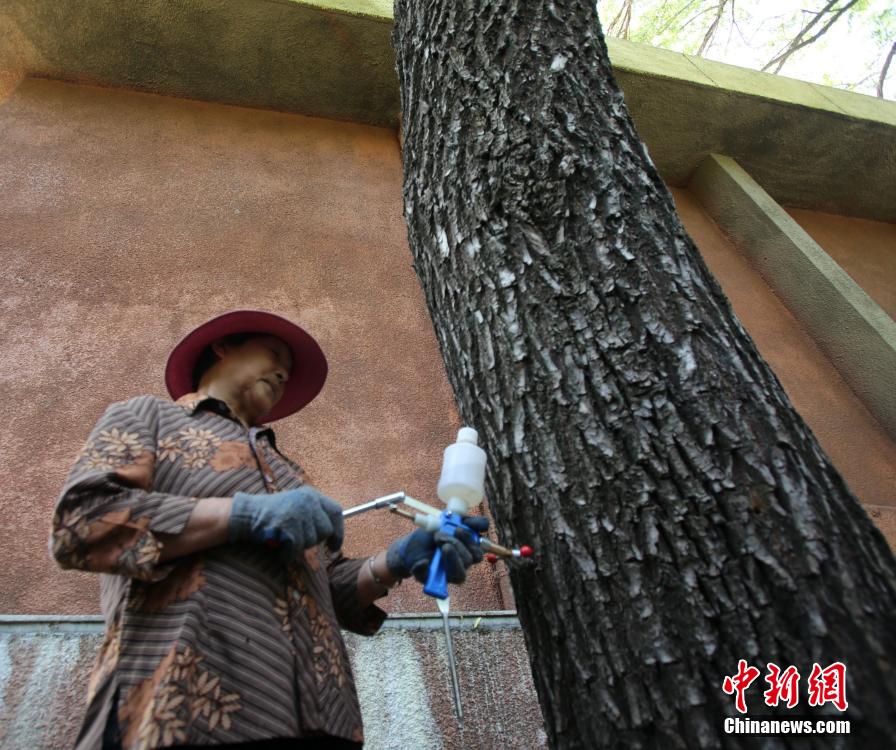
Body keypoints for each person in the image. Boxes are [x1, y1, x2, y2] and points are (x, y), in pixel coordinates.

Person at [50, 310, 488, 750]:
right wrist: (245, 515)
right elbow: (83, 522)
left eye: (289, 371)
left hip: (318, 726)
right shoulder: (149, 417)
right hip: (178, 708)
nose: (283, 373)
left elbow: (327, 591)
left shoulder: (290, 474)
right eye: (274, 354)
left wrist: (396, 560)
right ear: (222, 347)